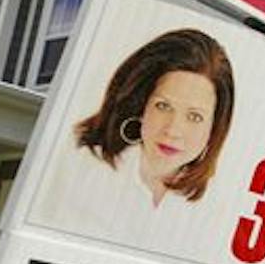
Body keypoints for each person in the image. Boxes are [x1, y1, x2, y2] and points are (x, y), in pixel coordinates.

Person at [73, 29, 235, 209]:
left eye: (195, 116)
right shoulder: (83, 170)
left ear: (215, 125)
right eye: (163, 106)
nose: (173, 130)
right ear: (141, 105)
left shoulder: (218, 207)